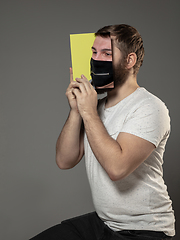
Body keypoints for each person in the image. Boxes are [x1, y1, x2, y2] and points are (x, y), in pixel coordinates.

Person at [30, 24, 175, 239]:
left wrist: (88, 112)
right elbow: (64, 160)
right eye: (94, 52)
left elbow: (117, 168)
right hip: (104, 222)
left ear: (129, 60)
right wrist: (76, 110)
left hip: (145, 229)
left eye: (107, 54)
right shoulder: (95, 108)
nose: (97, 60)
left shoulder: (149, 107)